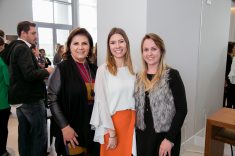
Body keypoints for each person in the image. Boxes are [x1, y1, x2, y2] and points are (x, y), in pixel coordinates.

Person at [47, 28, 99, 156]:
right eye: (76, 43)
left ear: (90, 47)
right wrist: (64, 127)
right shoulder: (61, 69)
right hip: (72, 129)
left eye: (84, 43)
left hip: (93, 129)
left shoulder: (95, 69)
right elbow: (52, 99)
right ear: (69, 47)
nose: (80, 47)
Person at [134, 33, 187, 156]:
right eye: (146, 50)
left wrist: (169, 139)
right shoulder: (138, 77)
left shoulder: (172, 75)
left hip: (165, 138)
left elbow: (182, 110)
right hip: (143, 137)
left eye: (154, 49)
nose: (149, 53)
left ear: (161, 51)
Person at [6, 21, 54, 156]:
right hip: (30, 99)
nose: (36, 36)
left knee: (25, 134)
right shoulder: (22, 48)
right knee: (39, 134)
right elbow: (29, 74)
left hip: (21, 99)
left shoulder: (14, 47)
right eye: (33, 33)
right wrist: (47, 71)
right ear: (23, 33)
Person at [90, 27, 136, 156]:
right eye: (113, 42)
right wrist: (112, 133)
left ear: (127, 43)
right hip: (113, 124)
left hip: (132, 122)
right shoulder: (103, 70)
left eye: (121, 41)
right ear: (108, 46)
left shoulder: (134, 69)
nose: (117, 46)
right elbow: (101, 103)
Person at [0, 36, 10, 156]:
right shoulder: (2, 63)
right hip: (2, 102)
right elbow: (8, 81)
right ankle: (2, 151)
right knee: (2, 128)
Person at [224, 42, 235, 108]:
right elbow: (228, 71)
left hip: (230, 83)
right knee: (230, 101)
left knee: (230, 101)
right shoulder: (229, 58)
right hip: (230, 83)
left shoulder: (231, 58)